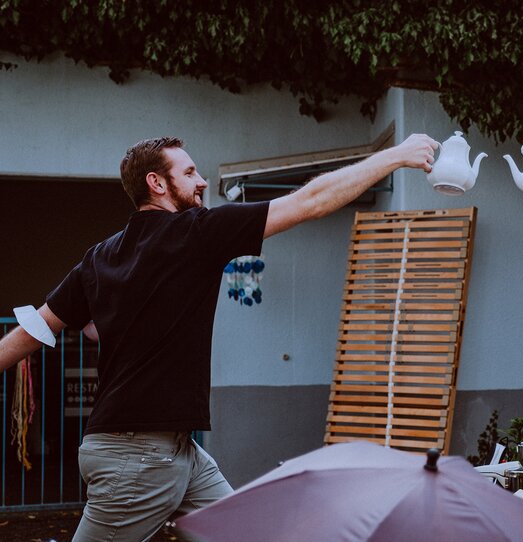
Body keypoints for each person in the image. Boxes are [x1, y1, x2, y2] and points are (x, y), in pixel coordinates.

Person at [0, 133, 439, 541]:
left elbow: (31, 331)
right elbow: (312, 200)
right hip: (137, 457)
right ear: (156, 183)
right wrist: (396, 155)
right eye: (189, 173)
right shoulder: (197, 232)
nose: (203, 181)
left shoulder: (100, 256)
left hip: (176, 451)